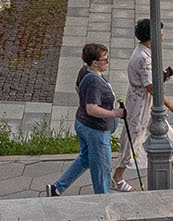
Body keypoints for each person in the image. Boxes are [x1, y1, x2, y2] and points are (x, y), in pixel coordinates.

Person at [111, 19, 173, 191]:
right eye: (160, 35)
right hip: (141, 106)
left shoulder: (143, 52)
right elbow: (151, 88)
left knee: (167, 133)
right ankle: (117, 178)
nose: (162, 38)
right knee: (133, 139)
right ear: (150, 36)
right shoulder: (144, 58)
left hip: (143, 101)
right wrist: (171, 105)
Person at [47, 44, 120, 197]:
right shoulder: (94, 82)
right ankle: (103, 201)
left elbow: (77, 88)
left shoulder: (84, 71)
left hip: (82, 123)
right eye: (105, 60)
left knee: (86, 158)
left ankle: (57, 188)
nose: (108, 62)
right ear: (94, 62)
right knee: (101, 169)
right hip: (96, 130)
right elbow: (91, 109)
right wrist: (115, 113)